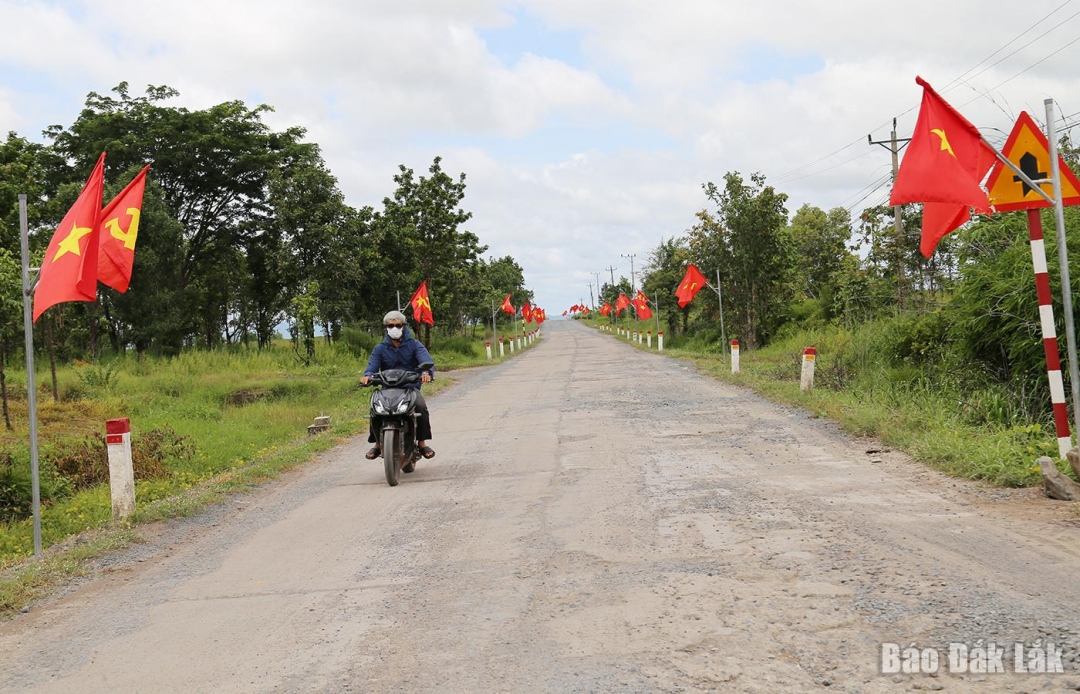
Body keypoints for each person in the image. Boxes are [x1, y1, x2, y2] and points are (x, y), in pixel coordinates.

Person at [360, 310, 436, 460]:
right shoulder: (380, 348)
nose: (394, 328)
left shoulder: (414, 345)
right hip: (387, 389)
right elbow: (372, 366)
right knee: (375, 408)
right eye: (390, 326)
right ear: (386, 328)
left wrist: (426, 373)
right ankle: (377, 444)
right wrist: (367, 376)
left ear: (404, 326)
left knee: (420, 406)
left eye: (397, 325)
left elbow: (426, 361)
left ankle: (422, 443)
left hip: (410, 388)